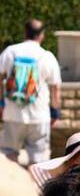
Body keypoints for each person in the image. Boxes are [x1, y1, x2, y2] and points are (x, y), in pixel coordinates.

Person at [0, 18, 62, 165]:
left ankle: (10, 187)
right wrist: (55, 112)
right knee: (38, 159)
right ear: (42, 35)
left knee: (9, 155)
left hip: (12, 113)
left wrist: (1, 103)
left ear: (25, 32)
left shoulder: (10, 52)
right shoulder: (47, 56)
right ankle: (36, 187)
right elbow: (55, 88)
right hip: (39, 114)